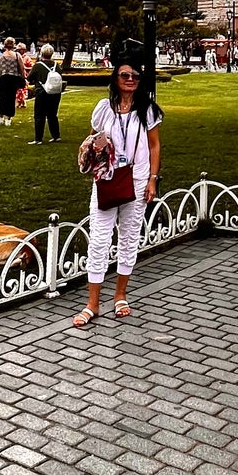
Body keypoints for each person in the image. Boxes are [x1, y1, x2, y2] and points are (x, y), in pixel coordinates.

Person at [72, 59, 163, 327]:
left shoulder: (147, 110)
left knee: (128, 238)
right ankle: (92, 304)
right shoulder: (104, 109)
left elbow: (155, 146)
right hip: (107, 180)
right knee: (99, 240)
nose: (130, 79)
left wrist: (152, 180)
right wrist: (94, 152)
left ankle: (120, 295)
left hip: (136, 180)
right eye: (125, 74)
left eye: (135, 75)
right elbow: (92, 138)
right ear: (115, 78)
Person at [31, 43, 64, 143]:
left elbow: (30, 77)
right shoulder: (56, 65)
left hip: (42, 92)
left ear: (42, 53)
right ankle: (56, 136)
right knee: (52, 115)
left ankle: (38, 138)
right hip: (55, 93)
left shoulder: (38, 66)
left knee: (39, 115)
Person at [0, 38, 25, 124]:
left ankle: (0, 116)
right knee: (11, 98)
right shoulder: (17, 55)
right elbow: (21, 68)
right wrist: (23, 77)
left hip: (3, 78)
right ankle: (8, 118)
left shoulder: (1, 55)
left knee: (3, 98)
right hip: (13, 79)